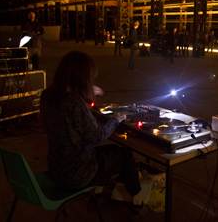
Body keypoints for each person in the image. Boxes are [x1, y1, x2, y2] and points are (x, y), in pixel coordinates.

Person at [40, 51, 147, 217]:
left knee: (109, 155)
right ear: (82, 77)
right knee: (124, 154)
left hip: (57, 169)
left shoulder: (47, 96)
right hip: (77, 174)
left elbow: (71, 122)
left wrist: (86, 93)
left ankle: (96, 196)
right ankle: (138, 202)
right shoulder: (75, 103)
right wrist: (116, 119)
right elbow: (97, 137)